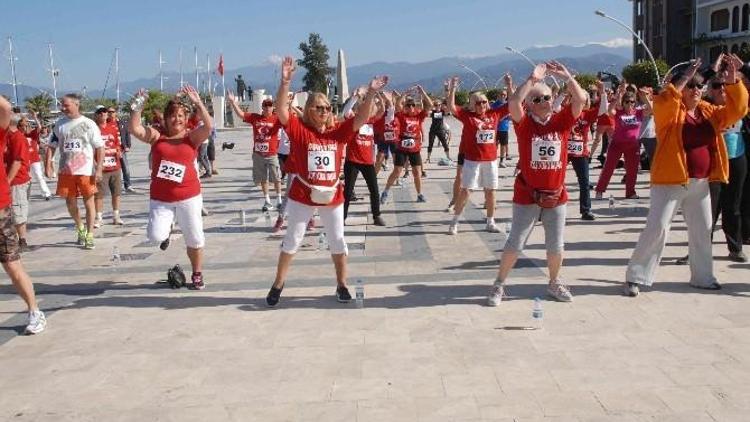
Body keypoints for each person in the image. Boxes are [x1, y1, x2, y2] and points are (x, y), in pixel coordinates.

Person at [265, 56, 387, 307]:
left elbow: (362, 118)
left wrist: (372, 93)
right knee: (292, 240)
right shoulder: (300, 131)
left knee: (338, 241)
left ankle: (342, 284)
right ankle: (278, 283)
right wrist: (285, 82)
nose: (324, 112)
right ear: (309, 109)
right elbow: (281, 110)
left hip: (332, 195)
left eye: (327, 108)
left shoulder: (338, 132)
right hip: (302, 194)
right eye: (318, 107)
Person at [624, 55, 748, 297]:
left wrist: (733, 83)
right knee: (658, 228)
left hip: (700, 182)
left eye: (700, 85)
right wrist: (684, 77)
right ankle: (635, 277)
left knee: (702, 230)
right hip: (669, 182)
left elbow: (738, 110)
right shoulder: (670, 112)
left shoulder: (710, 112)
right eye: (691, 85)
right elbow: (663, 101)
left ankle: (703, 277)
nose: (696, 89)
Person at [487, 61, 587, 306]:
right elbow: (513, 104)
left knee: (556, 243)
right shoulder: (525, 125)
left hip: (555, 195)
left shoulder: (561, 122)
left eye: (547, 98)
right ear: (529, 105)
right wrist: (532, 79)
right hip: (527, 194)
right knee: (515, 242)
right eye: (538, 99)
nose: (544, 102)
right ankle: (499, 284)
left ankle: (554, 282)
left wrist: (567, 76)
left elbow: (581, 100)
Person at [129, 85, 212, 290]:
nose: (177, 119)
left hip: (189, 196)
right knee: (155, 236)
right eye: (173, 116)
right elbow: (135, 129)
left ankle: (197, 273)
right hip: (161, 199)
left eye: (181, 116)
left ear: (186, 118)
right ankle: (167, 230)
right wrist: (137, 108)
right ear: (166, 119)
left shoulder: (191, 137)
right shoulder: (157, 136)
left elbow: (208, 127)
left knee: (194, 238)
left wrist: (198, 103)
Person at [0, 96, 46, 333]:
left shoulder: (2, 134)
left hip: (0, 210)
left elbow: (6, 108)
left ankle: (34, 312)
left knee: (12, 266)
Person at [445, 77, 509, 234]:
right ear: (472, 104)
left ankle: (490, 221)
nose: (482, 105)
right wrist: (453, 88)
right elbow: (451, 107)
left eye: (484, 101)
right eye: (478, 102)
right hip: (472, 161)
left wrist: (509, 86)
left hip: (491, 160)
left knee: (491, 190)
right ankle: (454, 221)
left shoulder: (494, 114)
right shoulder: (467, 116)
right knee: (466, 190)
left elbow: (512, 104)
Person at [46, 93, 104, 250]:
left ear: (76, 105)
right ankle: (80, 228)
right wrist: (48, 164)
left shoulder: (89, 124)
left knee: (89, 202)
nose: (63, 108)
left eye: (66, 105)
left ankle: (90, 234)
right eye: (62, 105)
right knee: (70, 203)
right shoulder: (59, 124)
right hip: (66, 170)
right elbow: (51, 145)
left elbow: (99, 146)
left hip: (86, 170)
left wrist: (99, 168)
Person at [594, 82, 651, 200]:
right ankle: (599, 190)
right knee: (608, 168)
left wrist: (644, 97)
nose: (630, 104)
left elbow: (651, 109)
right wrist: (618, 96)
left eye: (632, 102)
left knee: (632, 170)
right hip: (617, 145)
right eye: (627, 102)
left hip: (633, 146)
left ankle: (630, 192)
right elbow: (609, 110)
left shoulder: (639, 113)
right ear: (623, 103)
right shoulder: (619, 113)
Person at [227, 95, 283, 210]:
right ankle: (267, 201)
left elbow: (289, 118)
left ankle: (279, 200)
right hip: (258, 154)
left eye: (270, 106)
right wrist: (233, 102)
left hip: (272, 154)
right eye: (265, 106)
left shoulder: (277, 119)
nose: (267, 108)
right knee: (263, 178)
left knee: (277, 178)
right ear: (262, 108)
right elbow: (241, 114)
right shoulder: (255, 117)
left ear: (273, 108)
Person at [379, 86, 433, 204]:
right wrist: (404, 94)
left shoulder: (419, 115)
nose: (411, 107)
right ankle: (385, 192)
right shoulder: (402, 115)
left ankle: (419, 194)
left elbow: (430, 105)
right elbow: (398, 104)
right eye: (408, 105)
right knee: (397, 171)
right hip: (402, 147)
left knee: (417, 172)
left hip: (414, 148)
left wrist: (422, 92)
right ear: (405, 107)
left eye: (413, 105)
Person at [342, 91, 386, 226]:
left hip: (367, 162)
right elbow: (346, 110)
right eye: (364, 108)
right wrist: (355, 97)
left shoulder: (371, 121)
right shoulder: (353, 119)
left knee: (374, 189)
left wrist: (377, 95)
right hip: (352, 161)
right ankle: (342, 217)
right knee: (348, 191)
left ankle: (376, 216)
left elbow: (382, 109)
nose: (369, 110)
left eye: (370, 108)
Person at [567, 92, 599, 221]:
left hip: (581, 153)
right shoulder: (567, 113)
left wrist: (602, 92)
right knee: (554, 181)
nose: (581, 103)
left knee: (584, 182)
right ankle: (546, 209)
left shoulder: (588, 114)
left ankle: (586, 210)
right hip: (565, 151)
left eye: (583, 101)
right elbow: (555, 108)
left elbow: (602, 110)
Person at [93, 106, 125, 227]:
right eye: (100, 113)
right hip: (102, 167)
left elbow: (118, 144)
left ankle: (116, 216)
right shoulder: (94, 129)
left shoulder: (113, 128)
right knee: (99, 194)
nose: (103, 115)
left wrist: (118, 150)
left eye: (105, 112)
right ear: (96, 115)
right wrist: (96, 165)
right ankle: (98, 217)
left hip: (115, 165)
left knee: (116, 192)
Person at [5, 115, 32, 252]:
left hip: (17, 180)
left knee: (18, 211)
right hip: (10, 180)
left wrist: (8, 181)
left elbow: (17, 161)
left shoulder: (17, 137)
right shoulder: (6, 136)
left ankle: (22, 241)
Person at [21, 113, 51, 200]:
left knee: (39, 176)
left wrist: (35, 117)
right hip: (25, 160)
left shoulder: (33, 134)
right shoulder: (20, 135)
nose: (26, 128)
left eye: (28, 126)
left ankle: (46, 194)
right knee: (26, 178)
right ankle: (25, 195)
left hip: (34, 159)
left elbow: (39, 126)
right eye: (25, 127)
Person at [373, 91, 399, 175]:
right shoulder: (379, 113)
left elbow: (391, 108)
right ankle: (374, 177)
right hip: (383, 139)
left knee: (396, 159)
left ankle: (397, 178)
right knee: (379, 159)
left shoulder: (391, 113)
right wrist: (378, 96)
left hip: (393, 139)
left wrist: (389, 99)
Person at [493, 74, 514, 167]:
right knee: (494, 145)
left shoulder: (507, 104)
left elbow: (511, 114)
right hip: (495, 129)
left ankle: (501, 161)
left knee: (503, 145)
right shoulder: (494, 105)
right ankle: (492, 159)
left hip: (504, 129)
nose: (503, 96)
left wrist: (509, 117)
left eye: (504, 95)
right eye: (501, 94)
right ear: (498, 95)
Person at [113, 108, 135, 193]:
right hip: (111, 151)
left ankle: (128, 185)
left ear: (116, 113)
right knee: (113, 169)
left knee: (125, 168)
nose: (111, 113)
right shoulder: (107, 124)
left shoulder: (122, 123)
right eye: (109, 112)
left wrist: (128, 145)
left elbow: (127, 134)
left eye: (113, 112)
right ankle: (114, 186)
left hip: (121, 149)